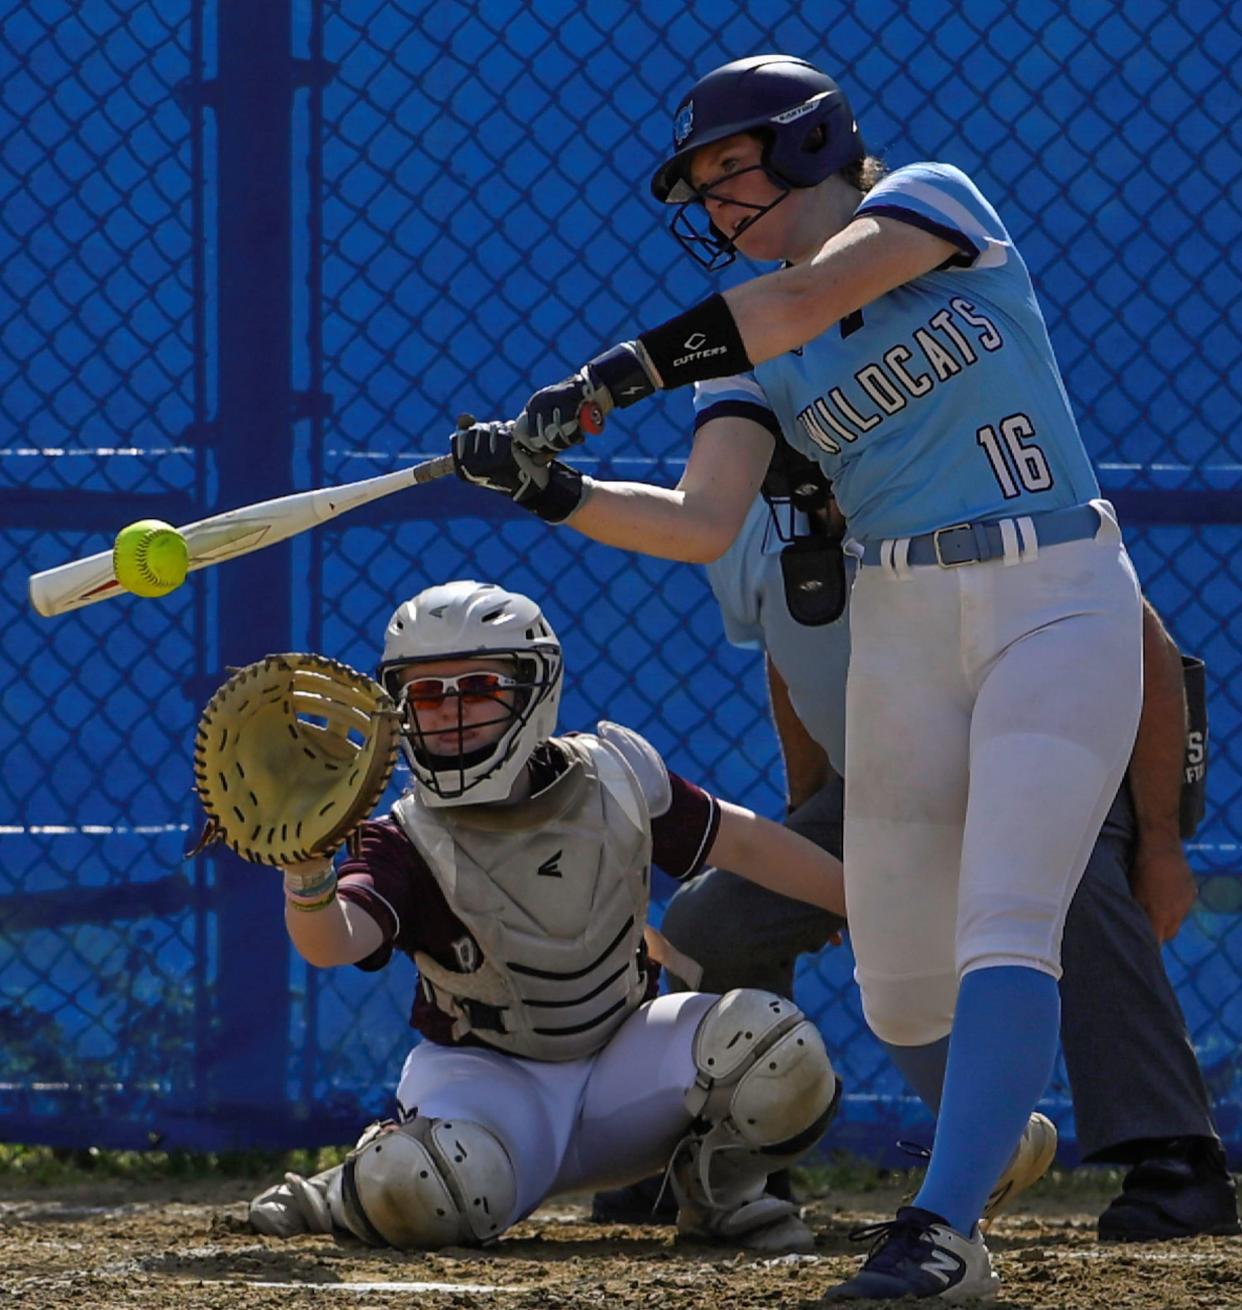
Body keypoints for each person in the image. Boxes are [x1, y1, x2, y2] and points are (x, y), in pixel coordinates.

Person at [452, 53, 1150, 1301]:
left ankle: (941, 1231)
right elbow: (699, 520)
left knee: (1006, 909)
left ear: (817, 143)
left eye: (733, 169)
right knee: (895, 974)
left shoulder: (934, 205)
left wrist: (612, 376)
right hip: (900, 620)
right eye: (706, 186)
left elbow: (809, 299)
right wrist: (552, 489)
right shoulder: (742, 353)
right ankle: (987, 1143)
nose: (720, 205)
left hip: (1054, 592)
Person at [648, 448, 1236, 1243]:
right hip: (886, 781)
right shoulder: (749, 530)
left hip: (1046, 750)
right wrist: (813, 821)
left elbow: (1148, 653)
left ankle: (1173, 1157)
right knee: (711, 925)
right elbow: (791, 663)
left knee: (1080, 892)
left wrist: (1161, 843)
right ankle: (731, 1151)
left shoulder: (968, 490)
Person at [246, 578, 848, 1255]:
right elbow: (335, 943)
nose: (452, 712)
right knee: (417, 1189)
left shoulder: (618, 776)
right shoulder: (401, 838)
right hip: (487, 1092)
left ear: (536, 691)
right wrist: (306, 876)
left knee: (773, 1045)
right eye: (427, 695)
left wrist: (862, 904)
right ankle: (344, 1190)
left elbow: (745, 844)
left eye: (477, 688)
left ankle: (716, 1195)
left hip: (627, 1068)